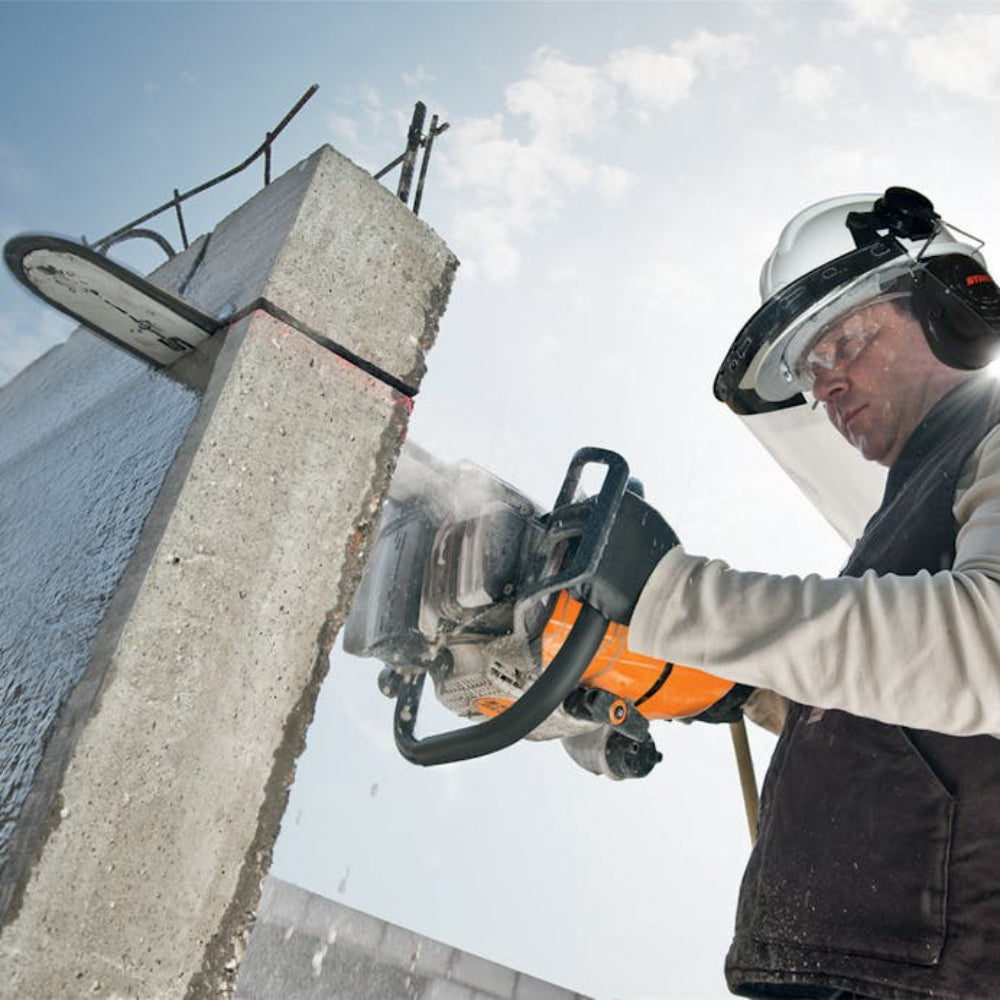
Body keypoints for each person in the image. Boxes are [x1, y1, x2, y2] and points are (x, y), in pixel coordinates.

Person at [596, 187, 1000, 999]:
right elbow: (902, 710)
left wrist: (672, 599)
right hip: (853, 966)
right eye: (810, 369)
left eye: (843, 341)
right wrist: (738, 686)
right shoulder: (906, 512)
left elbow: (982, 650)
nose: (825, 385)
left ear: (948, 308)